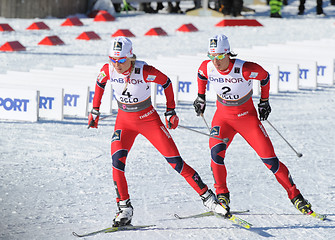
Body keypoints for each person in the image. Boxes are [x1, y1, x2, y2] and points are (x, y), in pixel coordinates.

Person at [88, 36, 227, 227]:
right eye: (112, 59)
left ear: (130, 57)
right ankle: (124, 208)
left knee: (176, 163)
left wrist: (170, 111)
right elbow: (99, 84)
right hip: (124, 122)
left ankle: (209, 198)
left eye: (120, 60)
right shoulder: (108, 69)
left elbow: (166, 83)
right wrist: (95, 110)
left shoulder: (143, 70)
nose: (116, 65)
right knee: (116, 163)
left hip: (149, 120)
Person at [193, 34, 316, 216]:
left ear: (227, 54)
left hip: (247, 118)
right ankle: (222, 195)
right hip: (223, 118)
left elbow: (265, 77)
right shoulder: (208, 66)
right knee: (215, 154)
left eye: (219, 57)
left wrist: (264, 101)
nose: (216, 62)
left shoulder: (245, 69)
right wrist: (200, 97)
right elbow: (201, 75)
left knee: (270, 160)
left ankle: (296, 196)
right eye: (212, 56)